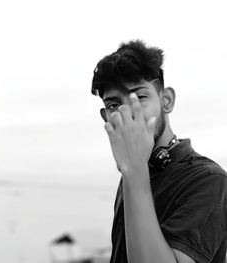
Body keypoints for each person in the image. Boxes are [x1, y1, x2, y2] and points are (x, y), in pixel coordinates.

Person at [91, 40, 227, 263]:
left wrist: (134, 172)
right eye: (114, 105)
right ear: (106, 117)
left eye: (140, 98)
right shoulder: (134, 171)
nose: (128, 112)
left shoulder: (209, 180)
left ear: (166, 101)